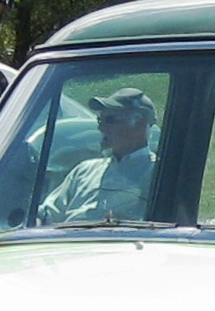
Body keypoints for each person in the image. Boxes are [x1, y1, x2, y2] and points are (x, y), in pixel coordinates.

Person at [37, 87, 157, 224]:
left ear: (139, 124)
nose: (101, 128)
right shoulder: (84, 170)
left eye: (110, 120)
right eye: (100, 120)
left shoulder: (157, 176)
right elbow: (46, 216)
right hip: (66, 241)